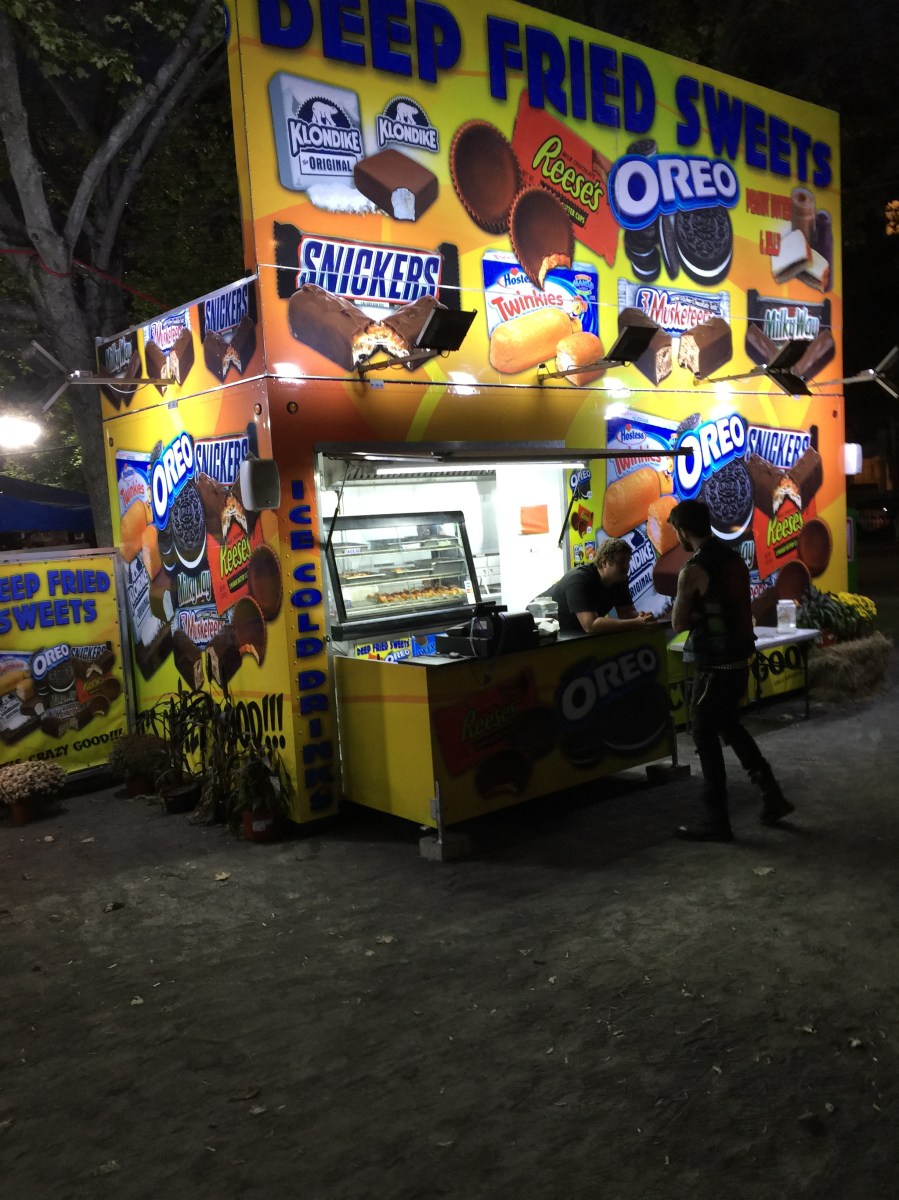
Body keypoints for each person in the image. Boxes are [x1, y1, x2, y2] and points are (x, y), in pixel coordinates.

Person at [668, 499, 794, 841]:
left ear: (683, 531)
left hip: (714, 664)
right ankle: (772, 794)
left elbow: (678, 621)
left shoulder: (693, 569)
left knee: (703, 734)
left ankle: (717, 819)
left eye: (676, 531)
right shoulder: (734, 557)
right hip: (740, 658)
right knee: (729, 725)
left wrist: (696, 613)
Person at [548, 537, 656, 635]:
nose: (626, 567)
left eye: (628, 561)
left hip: (568, 633)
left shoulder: (619, 579)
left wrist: (643, 617)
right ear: (604, 562)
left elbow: (626, 613)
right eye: (622, 561)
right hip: (543, 630)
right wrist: (636, 623)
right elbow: (591, 625)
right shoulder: (579, 580)